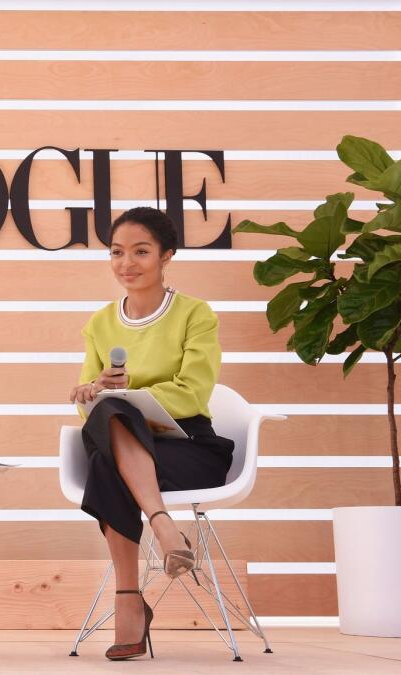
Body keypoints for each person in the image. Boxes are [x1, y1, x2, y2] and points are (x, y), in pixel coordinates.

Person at [68, 206, 235, 661]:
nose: (127, 263)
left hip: (188, 447)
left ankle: (129, 599)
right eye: (117, 252)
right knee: (109, 421)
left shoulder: (196, 315)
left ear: (167, 256)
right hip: (127, 442)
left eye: (141, 251)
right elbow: (90, 407)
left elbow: (194, 391)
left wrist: (129, 398)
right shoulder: (99, 323)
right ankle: (164, 528)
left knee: (108, 458)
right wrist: (91, 390)